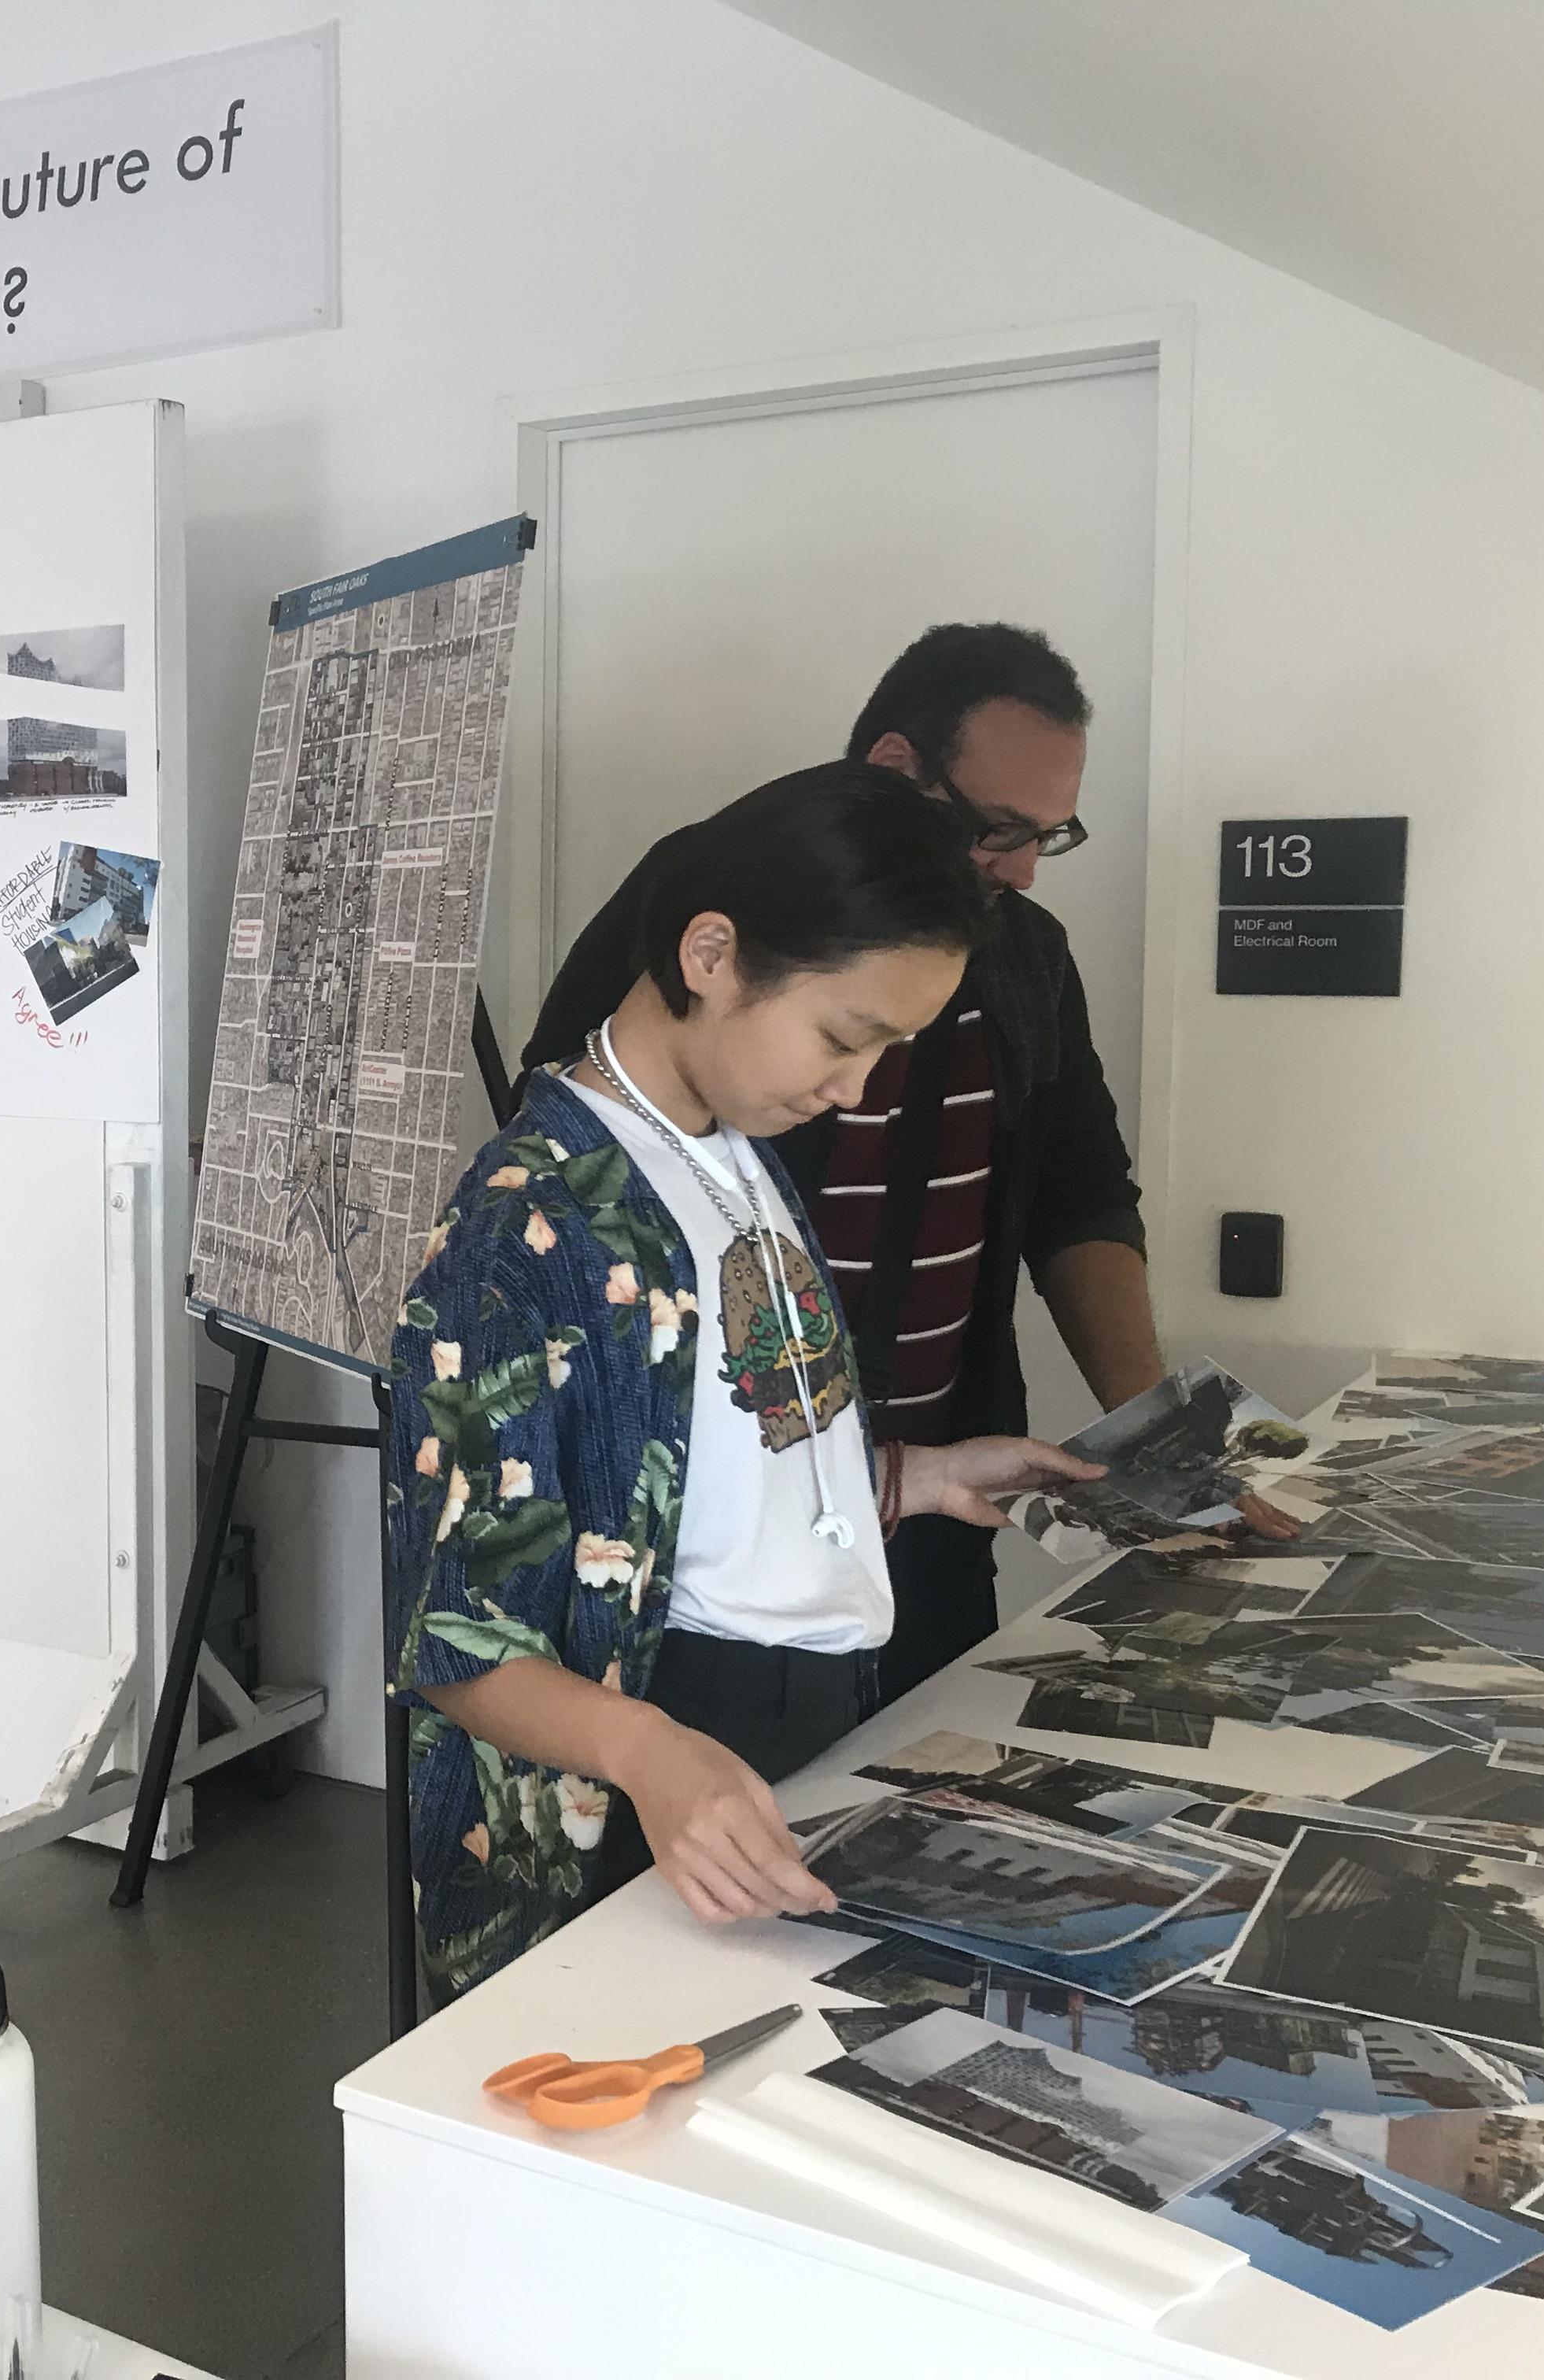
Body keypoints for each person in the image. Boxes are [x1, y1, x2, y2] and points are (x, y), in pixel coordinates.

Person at [390, 764, 1104, 2003]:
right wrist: (655, 1757)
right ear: (713, 953)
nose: (856, 1088)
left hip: (789, 1722)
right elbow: (454, 1633)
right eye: (845, 1037)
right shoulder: (527, 1231)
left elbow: (706, 1459)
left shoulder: (729, 1148)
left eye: (887, 1050)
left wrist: (912, 1475)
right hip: (645, 1762)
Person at [523, 623, 1222, 1708]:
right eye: (999, 829)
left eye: (1052, 835)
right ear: (899, 769)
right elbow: (596, 1201)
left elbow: (1081, 1193)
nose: (1026, 870)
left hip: (931, 1495)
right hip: (717, 1549)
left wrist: (1154, 1445)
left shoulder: (1023, 951)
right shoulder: (724, 904)